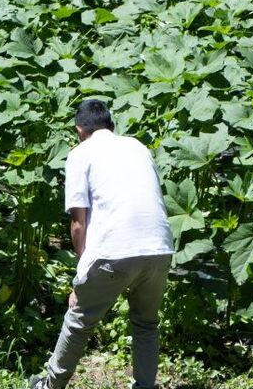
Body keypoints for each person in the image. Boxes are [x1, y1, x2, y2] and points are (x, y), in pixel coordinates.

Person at [31, 99, 174, 389]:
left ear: (79, 130)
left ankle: (50, 385)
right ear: (112, 125)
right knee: (146, 323)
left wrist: (79, 277)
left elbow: (78, 223)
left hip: (114, 250)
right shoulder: (138, 147)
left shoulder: (80, 153)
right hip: (159, 247)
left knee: (79, 319)